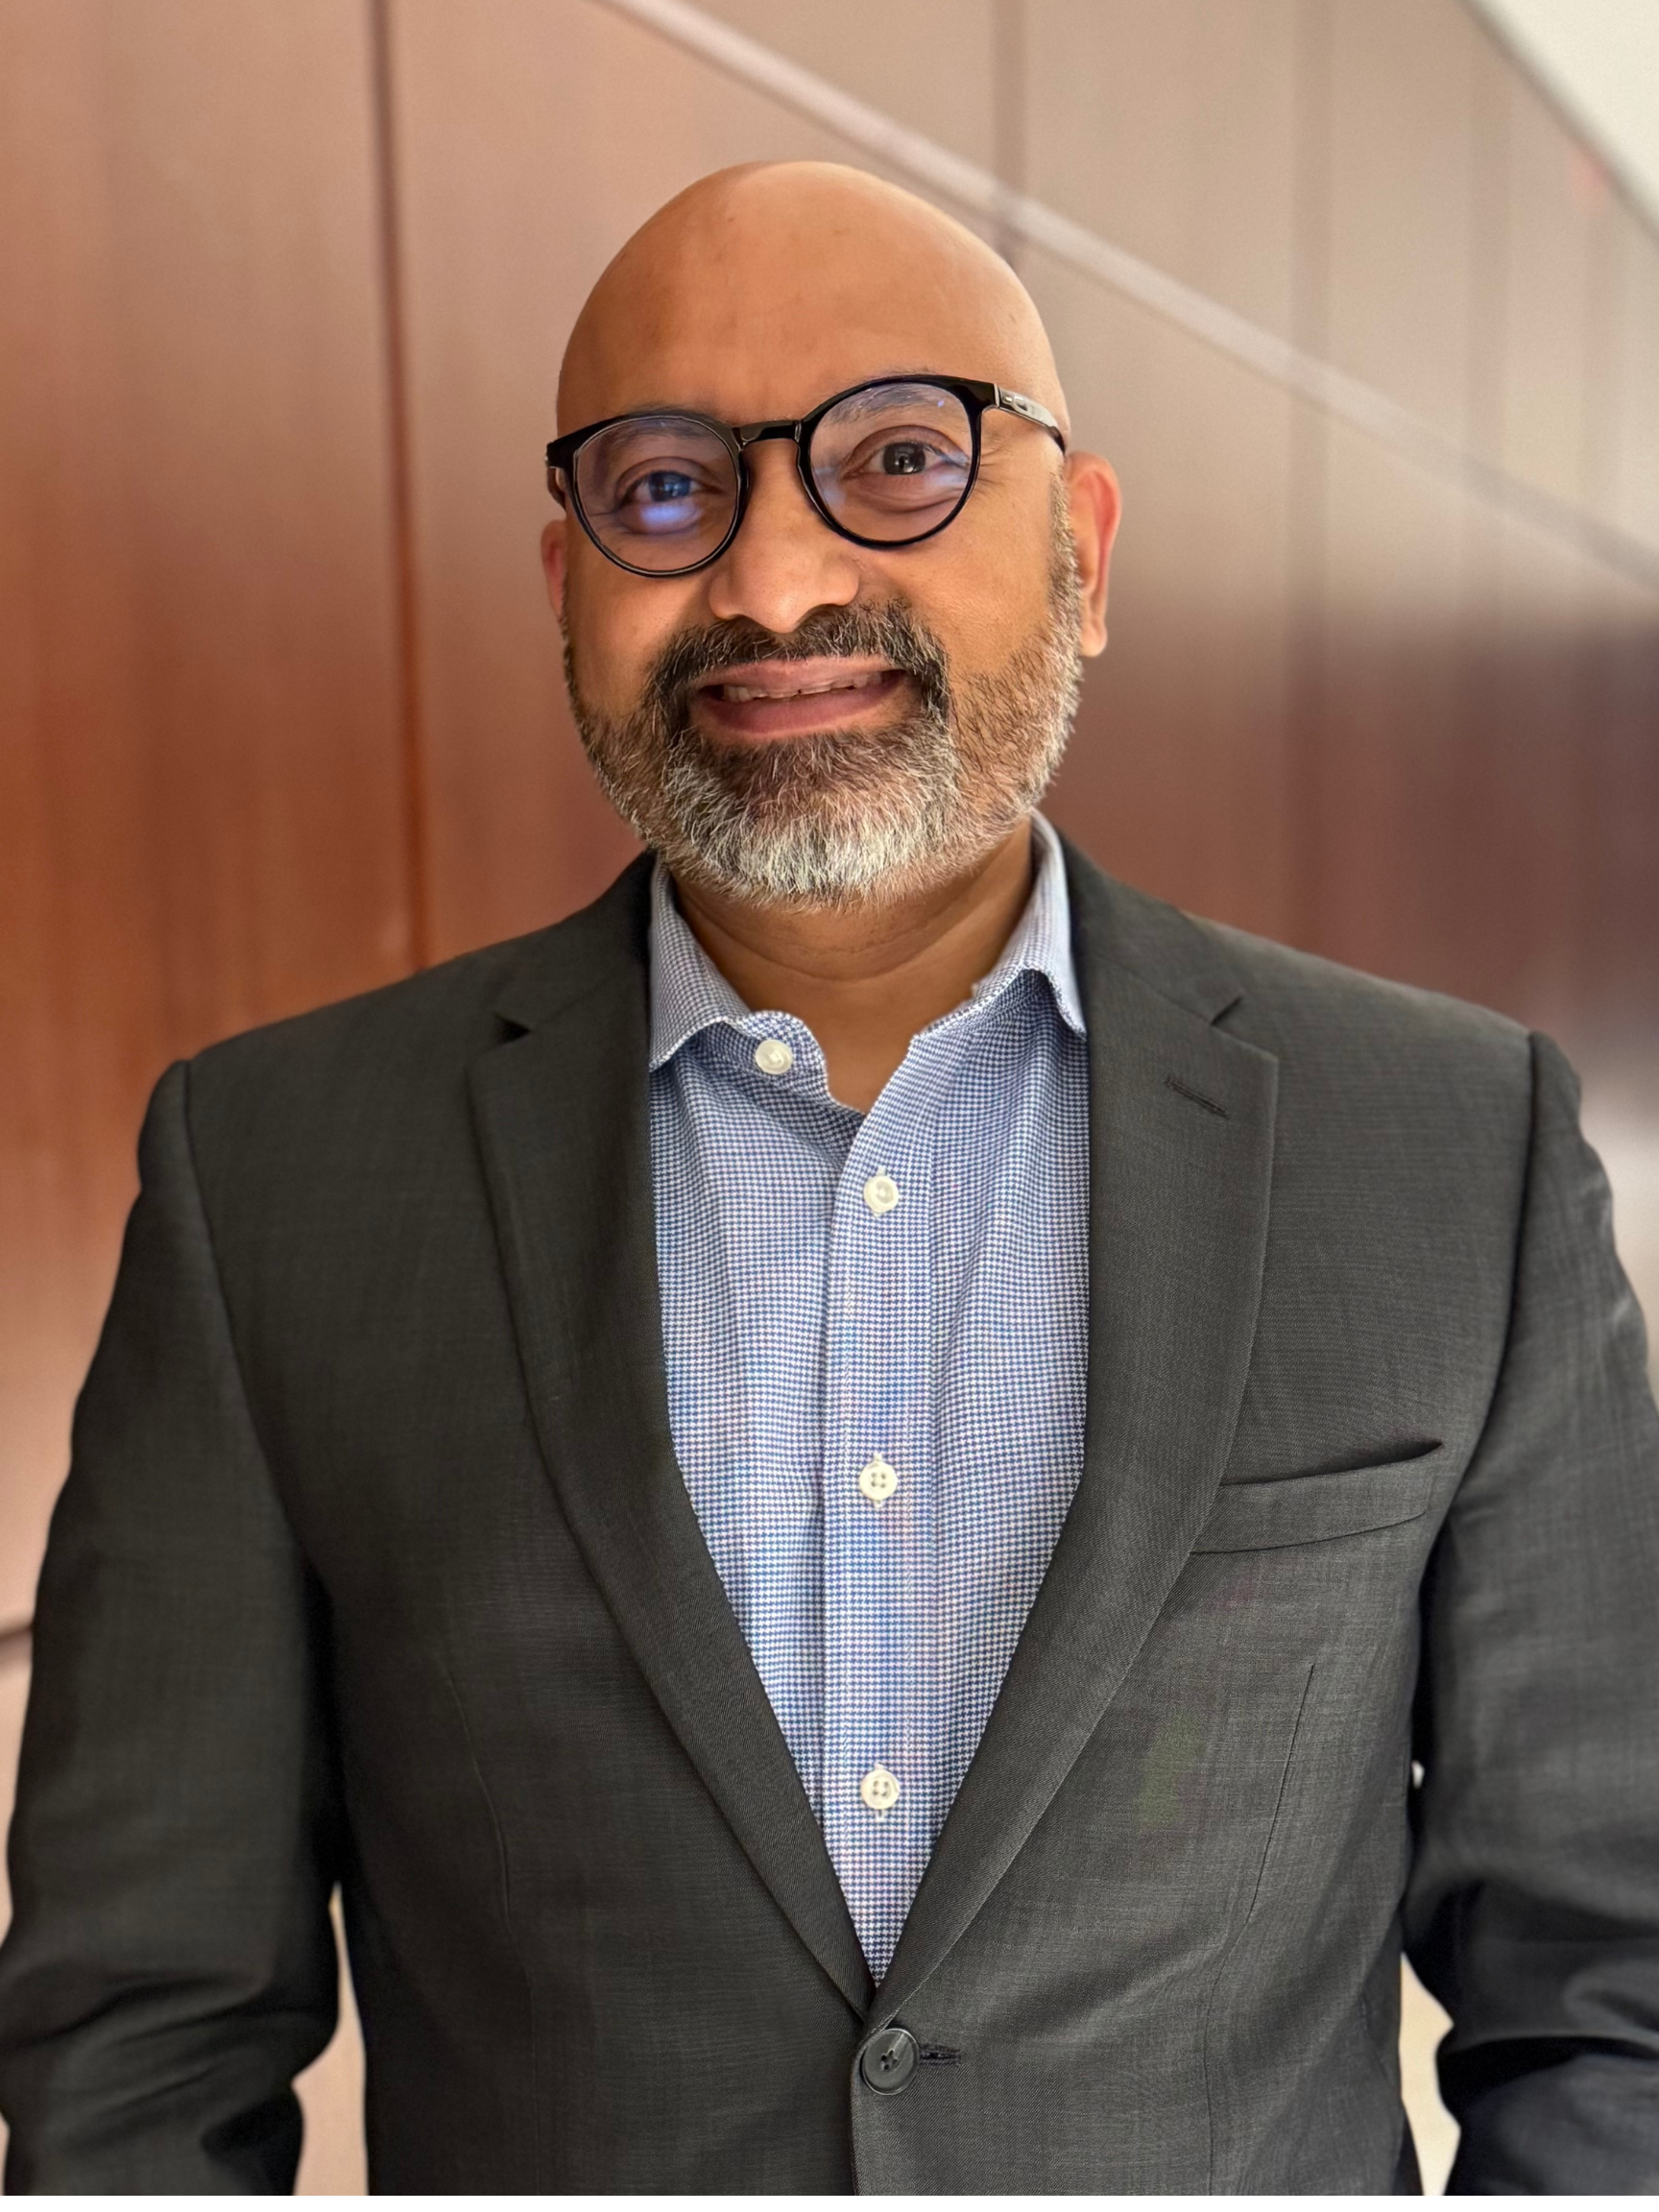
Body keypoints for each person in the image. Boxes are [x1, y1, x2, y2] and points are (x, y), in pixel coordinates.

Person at [2, 160, 1657, 2197]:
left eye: (896, 458)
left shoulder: (1444, 1147)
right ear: (566, 589)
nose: (774, 585)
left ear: (1086, 549)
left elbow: (1611, 1986)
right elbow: (142, 2038)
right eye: (667, 488)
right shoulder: (277, 1181)